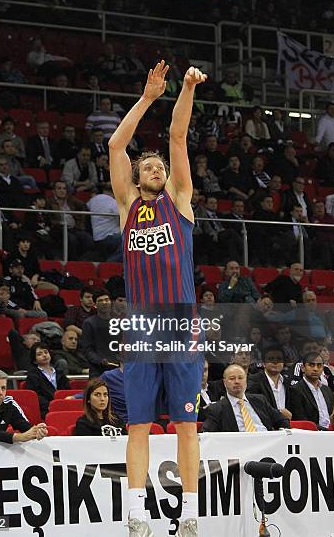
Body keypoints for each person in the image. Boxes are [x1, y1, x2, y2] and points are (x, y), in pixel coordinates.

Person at [109, 61, 206, 537]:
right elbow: (115, 145)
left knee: (187, 425)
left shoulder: (180, 201)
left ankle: (189, 511)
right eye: (147, 166)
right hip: (143, 326)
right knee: (139, 425)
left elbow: (178, 136)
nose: (154, 167)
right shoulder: (128, 207)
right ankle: (136, 511)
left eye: (158, 166)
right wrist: (147, 97)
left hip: (182, 325)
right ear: (137, 177)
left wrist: (186, 88)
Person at [202, 364, 290, 432]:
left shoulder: (260, 400)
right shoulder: (216, 409)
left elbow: (282, 421)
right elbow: (206, 434)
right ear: (225, 383)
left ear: (246, 380)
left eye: (240, 378)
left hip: (266, 445)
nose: (237, 381)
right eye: (232, 378)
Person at [80, 289, 119, 377]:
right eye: (100, 301)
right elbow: (87, 349)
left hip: (119, 368)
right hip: (98, 370)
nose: (104, 303)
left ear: (111, 302)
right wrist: (100, 360)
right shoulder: (89, 323)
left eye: (106, 300)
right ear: (94, 305)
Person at [289, 352, 334, 430]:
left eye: (319, 365)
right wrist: (325, 430)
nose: (315, 369)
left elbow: (332, 415)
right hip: (311, 434)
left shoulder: (327, 390)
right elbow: (301, 420)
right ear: (303, 368)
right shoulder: (296, 390)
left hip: (332, 433)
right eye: (311, 365)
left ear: (322, 368)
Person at [247, 345, 292, 418]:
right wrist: (278, 413)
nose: (275, 362)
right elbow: (253, 406)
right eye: (271, 359)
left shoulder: (287, 382)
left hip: (286, 426)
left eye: (279, 359)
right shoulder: (254, 380)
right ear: (263, 363)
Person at [25, 342, 69, 418]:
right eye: (39, 354)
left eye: (46, 352)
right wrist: (51, 406)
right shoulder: (33, 375)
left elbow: (67, 391)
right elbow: (35, 395)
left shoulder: (59, 373)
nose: (44, 355)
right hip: (44, 409)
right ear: (34, 360)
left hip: (63, 406)